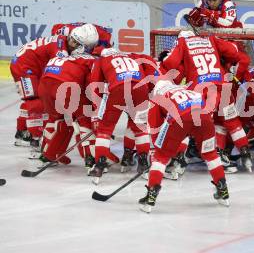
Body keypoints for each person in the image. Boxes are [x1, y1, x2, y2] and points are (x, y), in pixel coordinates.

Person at [161, 30, 252, 173]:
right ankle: (245, 153)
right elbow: (234, 51)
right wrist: (222, 57)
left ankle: (180, 159)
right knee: (231, 120)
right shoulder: (211, 39)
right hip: (222, 85)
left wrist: (164, 58)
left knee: (192, 123)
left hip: (201, 89)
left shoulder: (183, 43)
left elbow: (170, 64)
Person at [139, 79, 229, 213]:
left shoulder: (157, 98)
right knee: (210, 154)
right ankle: (223, 190)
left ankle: (151, 196)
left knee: (161, 156)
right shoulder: (188, 90)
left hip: (180, 119)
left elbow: (154, 128)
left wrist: (162, 150)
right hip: (204, 118)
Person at [9, 24, 99, 153]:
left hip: (29, 65)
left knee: (33, 98)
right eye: (72, 40)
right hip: (24, 68)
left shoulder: (62, 40)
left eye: (75, 42)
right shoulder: (60, 51)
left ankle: (22, 131)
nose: (71, 43)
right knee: (35, 101)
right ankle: (35, 138)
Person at [88, 48, 151, 184]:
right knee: (140, 127)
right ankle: (144, 163)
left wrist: (97, 109)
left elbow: (95, 85)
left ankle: (99, 166)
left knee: (105, 129)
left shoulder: (101, 59)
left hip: (119, 88)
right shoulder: (132, 55)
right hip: (141, 89)